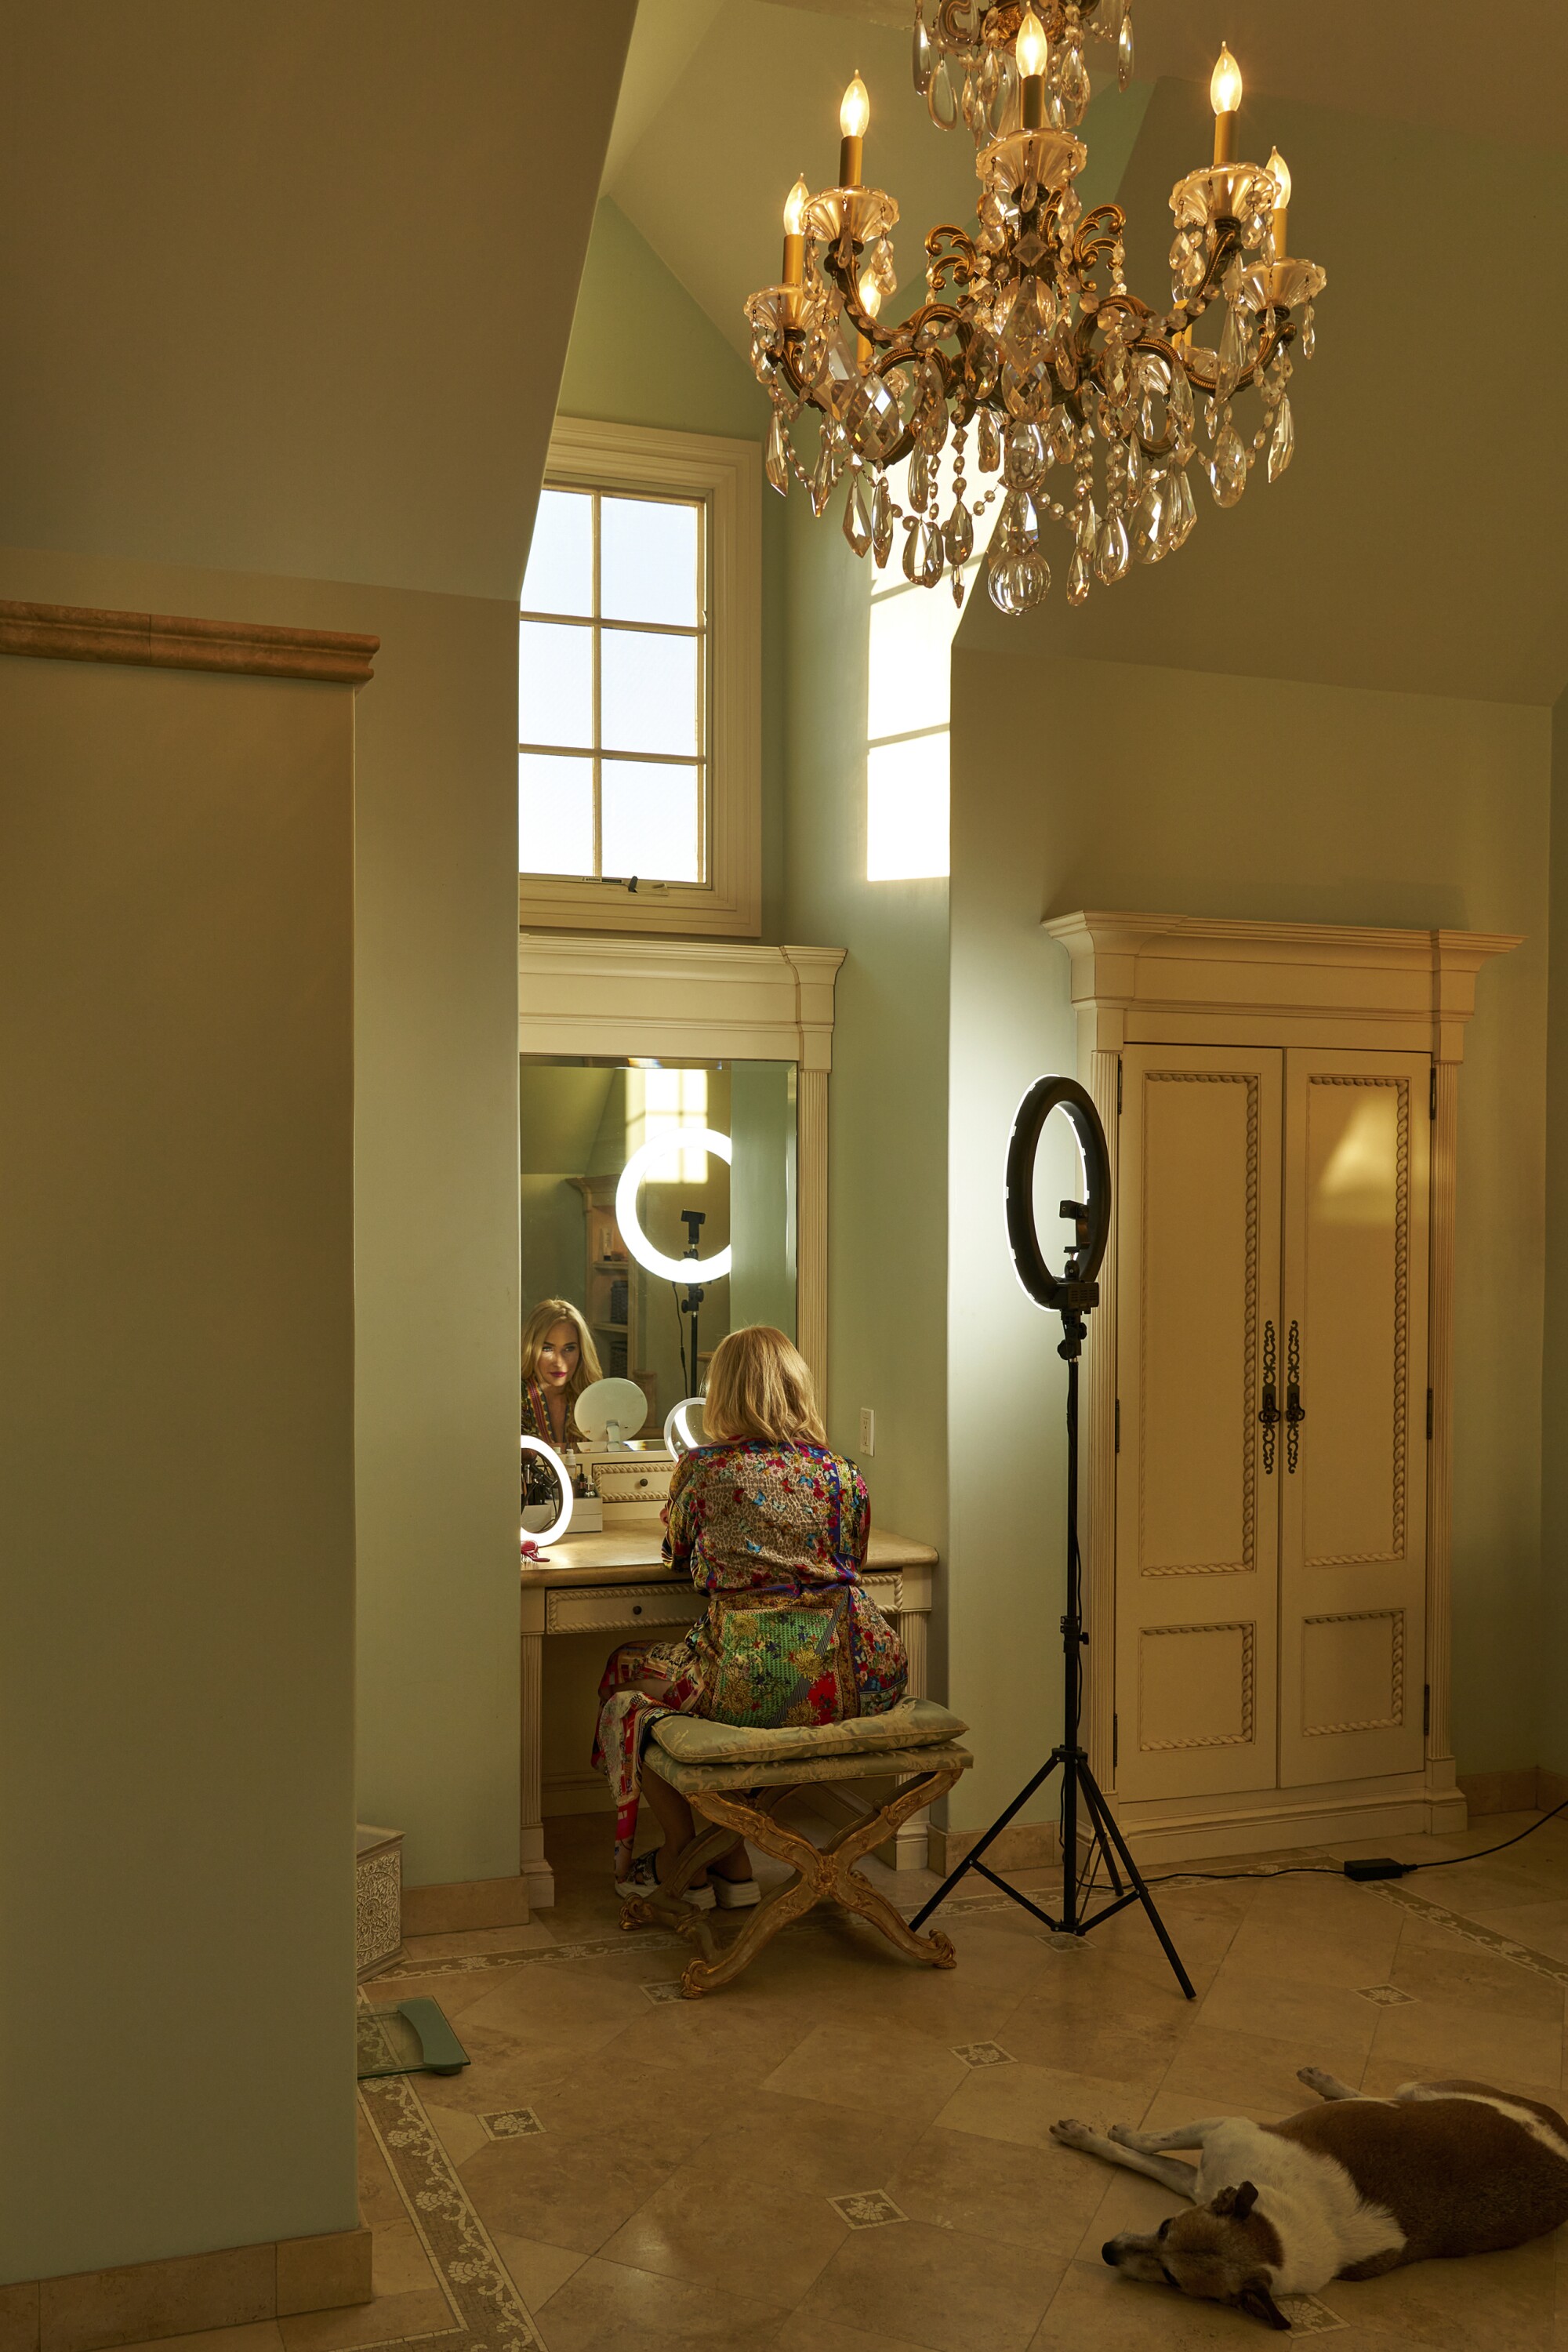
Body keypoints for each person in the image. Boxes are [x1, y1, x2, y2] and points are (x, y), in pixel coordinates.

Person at [591, 1323, 906, 1907]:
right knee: (681, 1685)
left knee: (623, 1687)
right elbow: (851, 1563)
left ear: (725, 1393)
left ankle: (688, 1858)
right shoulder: (844, 1475)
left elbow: (677, 1555)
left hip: (751, 1680)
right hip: (854, 1679)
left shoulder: (705, 1470)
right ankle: (727, 1859)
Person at [521, 1298, 601, 1506]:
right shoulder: (513, 1398)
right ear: (532, 1348)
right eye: (548, 1349)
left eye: (569, 1348)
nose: (559, 1361)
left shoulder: (595, 1398)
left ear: (582, 1351)